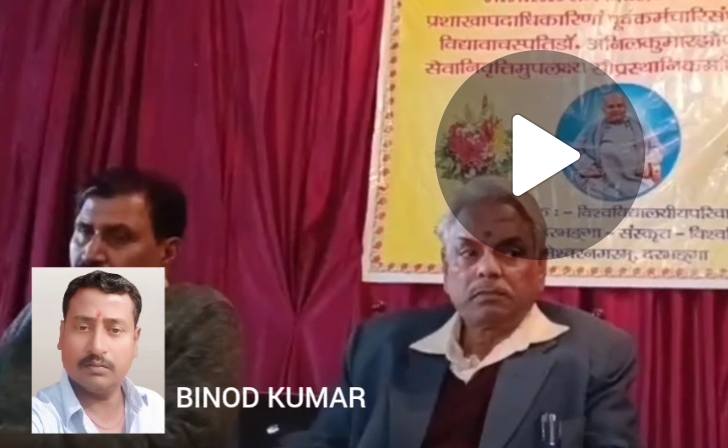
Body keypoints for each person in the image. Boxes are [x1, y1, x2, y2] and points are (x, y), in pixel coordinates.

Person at [285, 176, 642, 448]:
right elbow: (326, 440)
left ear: (540, 269)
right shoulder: (378, 345)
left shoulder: (596, 354)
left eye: (511, 252)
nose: (487, 269)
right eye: (469, 253)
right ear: (446, 269)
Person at [0, 167, 243, 446]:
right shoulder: (45, 310)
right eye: (84, 232)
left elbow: (191, 439)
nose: (91, 253)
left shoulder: (198, 315)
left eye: (119, 237)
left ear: (167, 252)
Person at [33, 270, 165, 434]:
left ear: (135, 341)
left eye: (115, 330)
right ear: (62, 334)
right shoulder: (36, 419)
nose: (97, 347)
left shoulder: (156, 410)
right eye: (83, 328)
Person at [572, 91, 663, 201]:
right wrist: (589, 167)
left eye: (619, 106)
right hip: (603, 183)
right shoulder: (594, 128)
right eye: (611, 107)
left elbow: (656, 148)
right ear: (604, 109)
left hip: (637, 179)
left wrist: (647, 162)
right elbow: (574, 151)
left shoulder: (639, 125)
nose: (616, 109)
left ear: (625, 108)